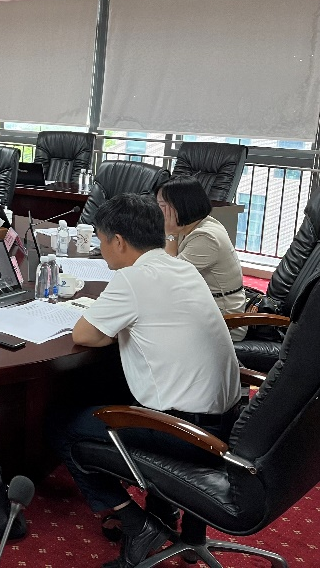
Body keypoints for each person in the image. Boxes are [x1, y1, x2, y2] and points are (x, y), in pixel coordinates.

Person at [55, 193, 240, 568]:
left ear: (118, 241)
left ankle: (137, 524)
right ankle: (165, 509)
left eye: (101, 240)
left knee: (64, 426)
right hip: (227, 422)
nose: (101, 249)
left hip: (186, 431)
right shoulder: (181, 267)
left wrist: (114, 328)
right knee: (111, 388)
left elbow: (84, 335)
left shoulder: (133, 279)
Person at [158, 176, 247, 342]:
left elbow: (169, 276)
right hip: (201, 305)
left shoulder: (206, 237)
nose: (158, 211)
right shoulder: (192, 225)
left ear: (181, 206)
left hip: (225, 320)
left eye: (162, 206)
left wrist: (170, 234)